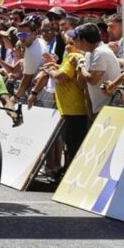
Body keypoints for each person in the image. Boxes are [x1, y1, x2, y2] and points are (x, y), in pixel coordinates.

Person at [37, 35, 89, 179]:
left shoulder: (75, 56)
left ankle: (71, 177)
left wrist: (51, 71)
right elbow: (65, 73)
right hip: (70, 109)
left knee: (73, 146)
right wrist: (55, 66)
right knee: (69, 145)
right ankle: (67, 172)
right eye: (66, 43)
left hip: (75, 110)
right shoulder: (71, 57)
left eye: (71, 43)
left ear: (79, 44)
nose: (67, 46)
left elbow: (61, 77)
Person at [71, 23, 121, 119]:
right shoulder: (90, 53)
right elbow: (82, 84)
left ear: (84, 40)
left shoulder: (100, 52)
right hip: (97, 109)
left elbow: (92, 80)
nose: (74, 42)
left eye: (76, 39)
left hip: (109, 109)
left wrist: (81, 67)